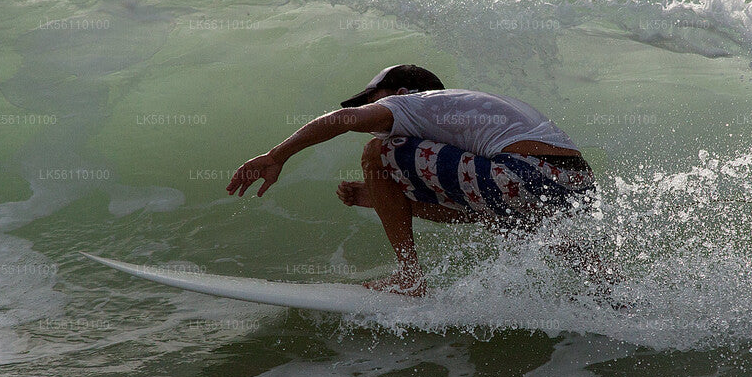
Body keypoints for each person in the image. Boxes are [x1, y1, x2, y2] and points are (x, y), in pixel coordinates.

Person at [226, 64, 595, 295]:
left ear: (400, 93)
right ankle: (611, 292)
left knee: (377, 151)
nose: (371, 108)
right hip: (572, 184)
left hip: (521, 170)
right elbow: (471, 211)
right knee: (509, 220)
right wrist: (390, 200)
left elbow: (342, 121)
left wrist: (276, 156)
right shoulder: (465, 114)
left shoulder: (415, 102)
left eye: (372, 99)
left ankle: (408, 276)